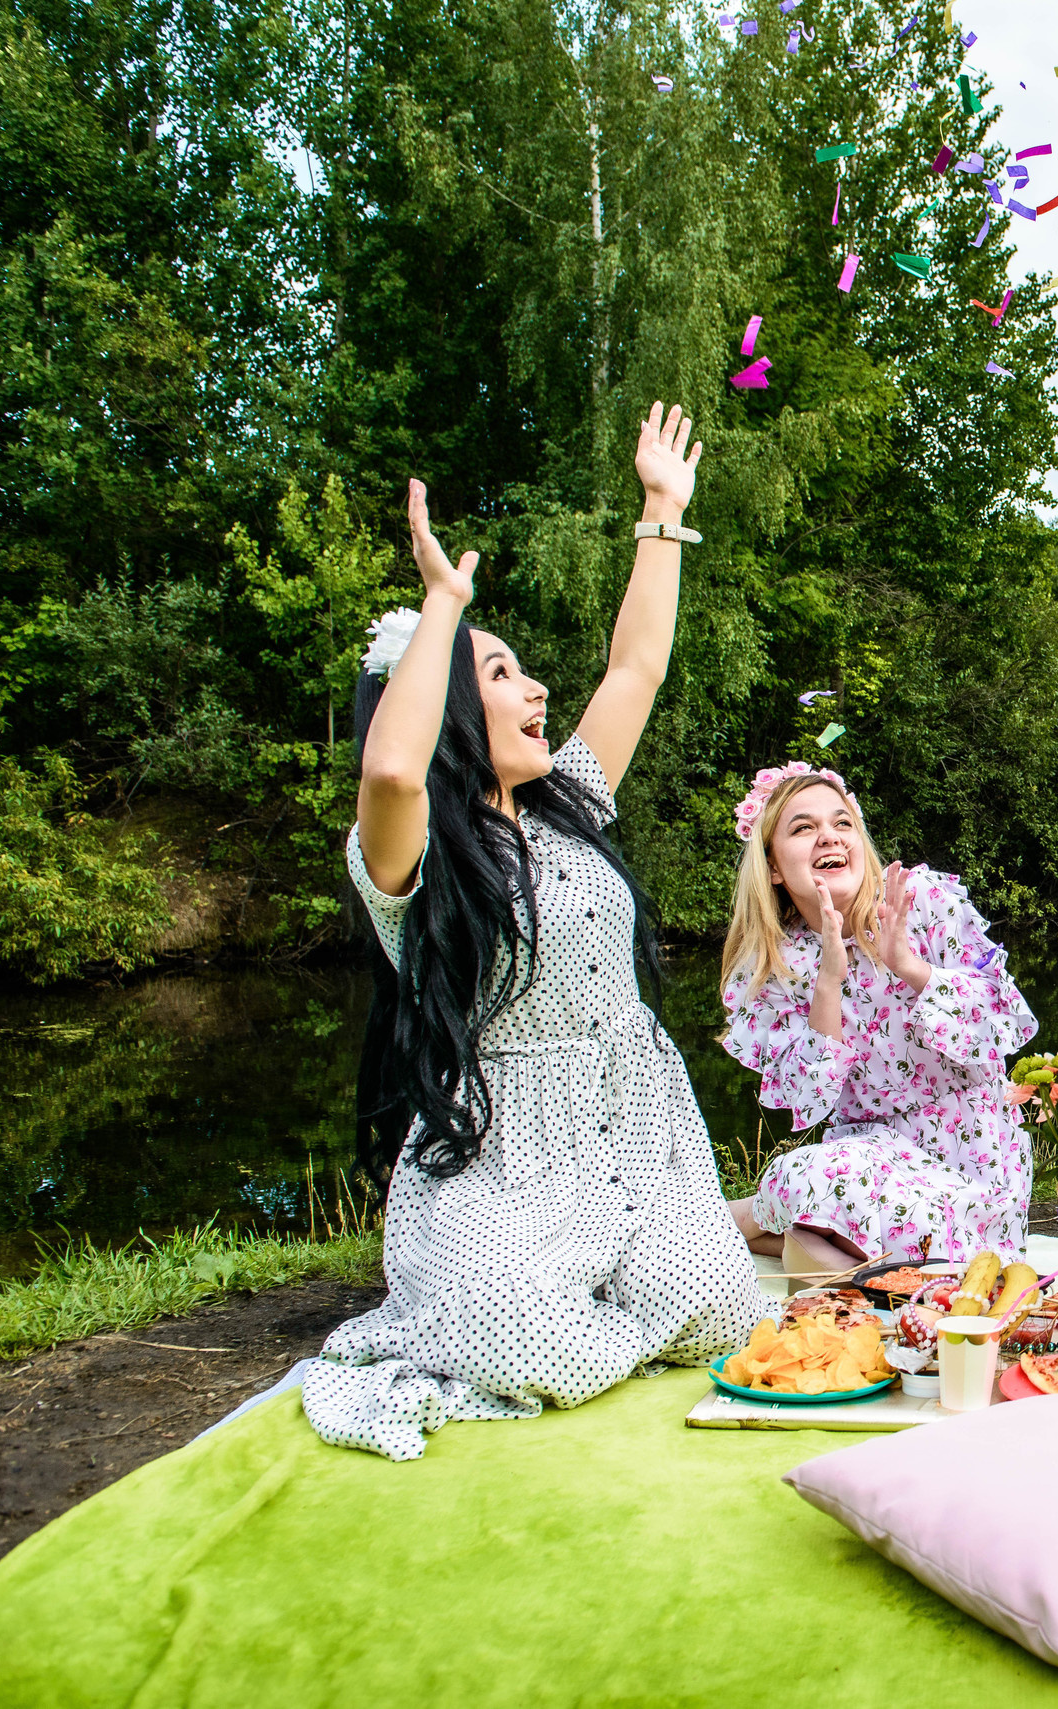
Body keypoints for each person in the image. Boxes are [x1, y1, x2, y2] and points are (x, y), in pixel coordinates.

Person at [307, 404, 765, 1462]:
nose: (535, 687)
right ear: (452, 714)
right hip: (503, 1147)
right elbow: (389, 766)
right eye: (501, 674)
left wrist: (662, 514)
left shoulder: (570, 798)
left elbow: (634, 669)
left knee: (716, 1306)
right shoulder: (406, 853)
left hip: (635, 1120)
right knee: (515, 1335)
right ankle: (534, 1287)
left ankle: (626, 1274)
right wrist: (442, 610)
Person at [718, 764, 1038, 1269]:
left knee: (944, 1254)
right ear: (774, 867)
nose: (829, 836)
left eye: (842, 823)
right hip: (863, 1159)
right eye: (803, 828)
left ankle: (770, 1232)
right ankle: (810, 1240)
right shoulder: (775, 966)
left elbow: (1003, 1025)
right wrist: (828, 980)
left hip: (975, 1157)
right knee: (825, 1174)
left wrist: (910, 968)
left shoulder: (919, 900)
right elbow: (808, 1102)